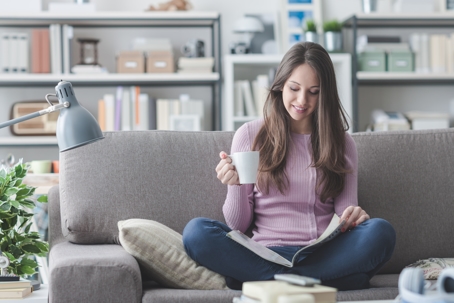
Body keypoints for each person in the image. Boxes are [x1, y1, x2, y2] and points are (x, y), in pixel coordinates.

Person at [182, 42, 396, 291]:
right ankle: (322, 281)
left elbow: (344, 216)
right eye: (294, 88)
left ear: (325, 94)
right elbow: (238, 225)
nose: (302, 100)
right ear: (281, 84)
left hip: (322, 251)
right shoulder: (250, 134)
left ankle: (265, 281)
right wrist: (236, 185)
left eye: (314, 92)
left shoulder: (342, 143)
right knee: (196, 232)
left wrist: (354, 217)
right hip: (263, 253)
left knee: (381, 232)